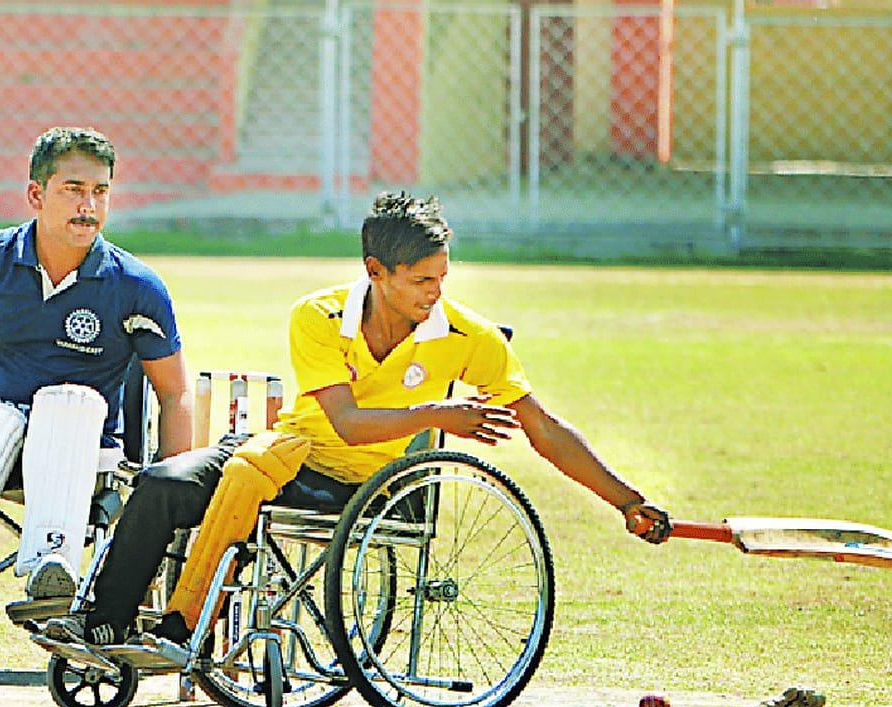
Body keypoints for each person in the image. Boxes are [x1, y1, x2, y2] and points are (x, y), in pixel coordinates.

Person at [45, 191, 670, 648]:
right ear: (376, 271)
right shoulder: (316, 315)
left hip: (356, 482)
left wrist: (626, 500)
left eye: (443, 278)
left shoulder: (467, 335)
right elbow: (342, 419)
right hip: (286, 452)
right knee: (162, 484)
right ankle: (104, 626)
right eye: (422, 280)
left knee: (250, 469)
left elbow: (543, 427)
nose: (436, 293)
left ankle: (183, 626)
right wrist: (438, 413)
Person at [0, 126, 193, 603]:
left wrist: (171, 491)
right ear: (36, 193)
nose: (88, 206)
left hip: (85, 442)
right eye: (73, 190)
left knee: (65, 402)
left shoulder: (136, 287)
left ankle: (53, 562)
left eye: (100, 191)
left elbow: (173, 392)